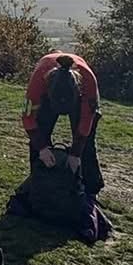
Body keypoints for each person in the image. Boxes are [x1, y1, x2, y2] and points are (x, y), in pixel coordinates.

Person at [19, 51, 110, 243]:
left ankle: (89, 191)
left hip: (82, 95)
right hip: (47, 92)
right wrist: (42, 149)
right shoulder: (39, 81)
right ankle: (38, 182)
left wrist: (75, 154)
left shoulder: (87, 84)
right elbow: (29, 119)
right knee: (39, 136)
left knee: (87, 146)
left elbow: (85, 126)